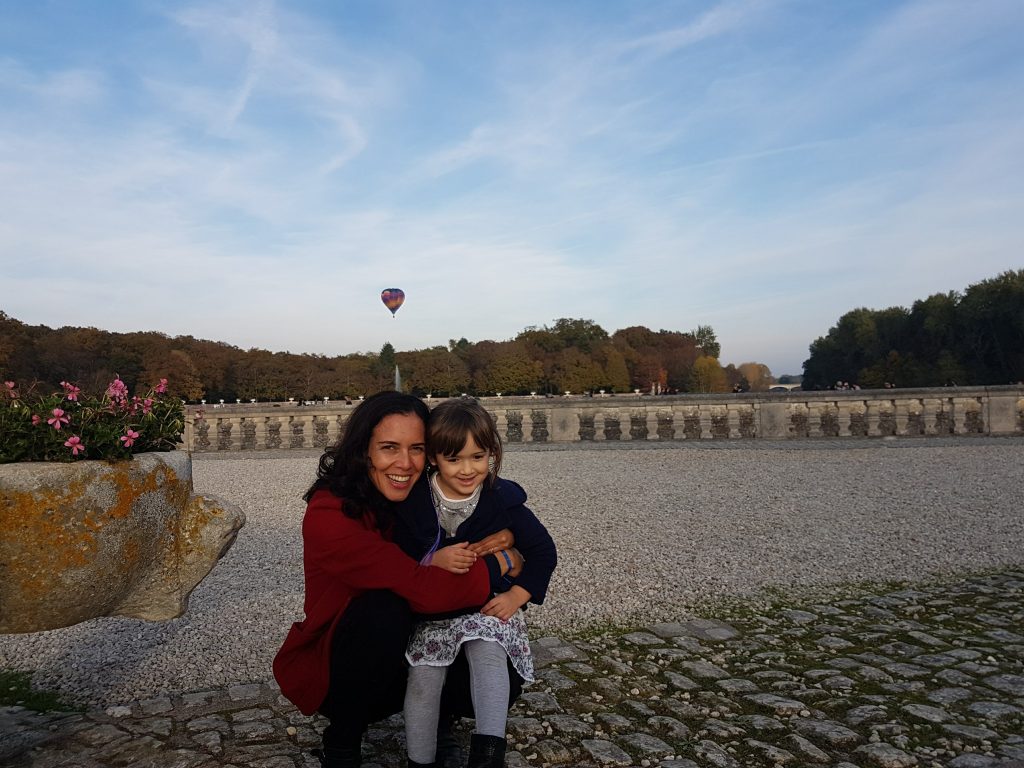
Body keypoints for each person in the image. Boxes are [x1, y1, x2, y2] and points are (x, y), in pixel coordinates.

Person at [272, 392, 522, 768]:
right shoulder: (331, 513)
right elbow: (423, 591)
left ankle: (439, 723)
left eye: (417, 448)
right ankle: (342, 741)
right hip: (344, 662)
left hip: (416, 645)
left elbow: (505, 514)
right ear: (364, 450)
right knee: (383, 609)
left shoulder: (429, 498)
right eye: (389, 447)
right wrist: (502, 561)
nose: (405, 463)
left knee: (496, 652)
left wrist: (508, 539)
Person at [393, 398, 557, 768]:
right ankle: (420, 759)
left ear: (491, 453)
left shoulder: (503, 499)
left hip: (488, 603)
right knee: (423, 673)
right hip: (434, 611)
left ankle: (488, 753)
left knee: (488, 651)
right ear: (433, 457)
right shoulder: (414, 501)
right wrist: (431, 559)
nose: (468, 469)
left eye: (478, 457)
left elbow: (544, 551)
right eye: (455, 459)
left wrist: (518, 594)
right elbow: (394, 556)